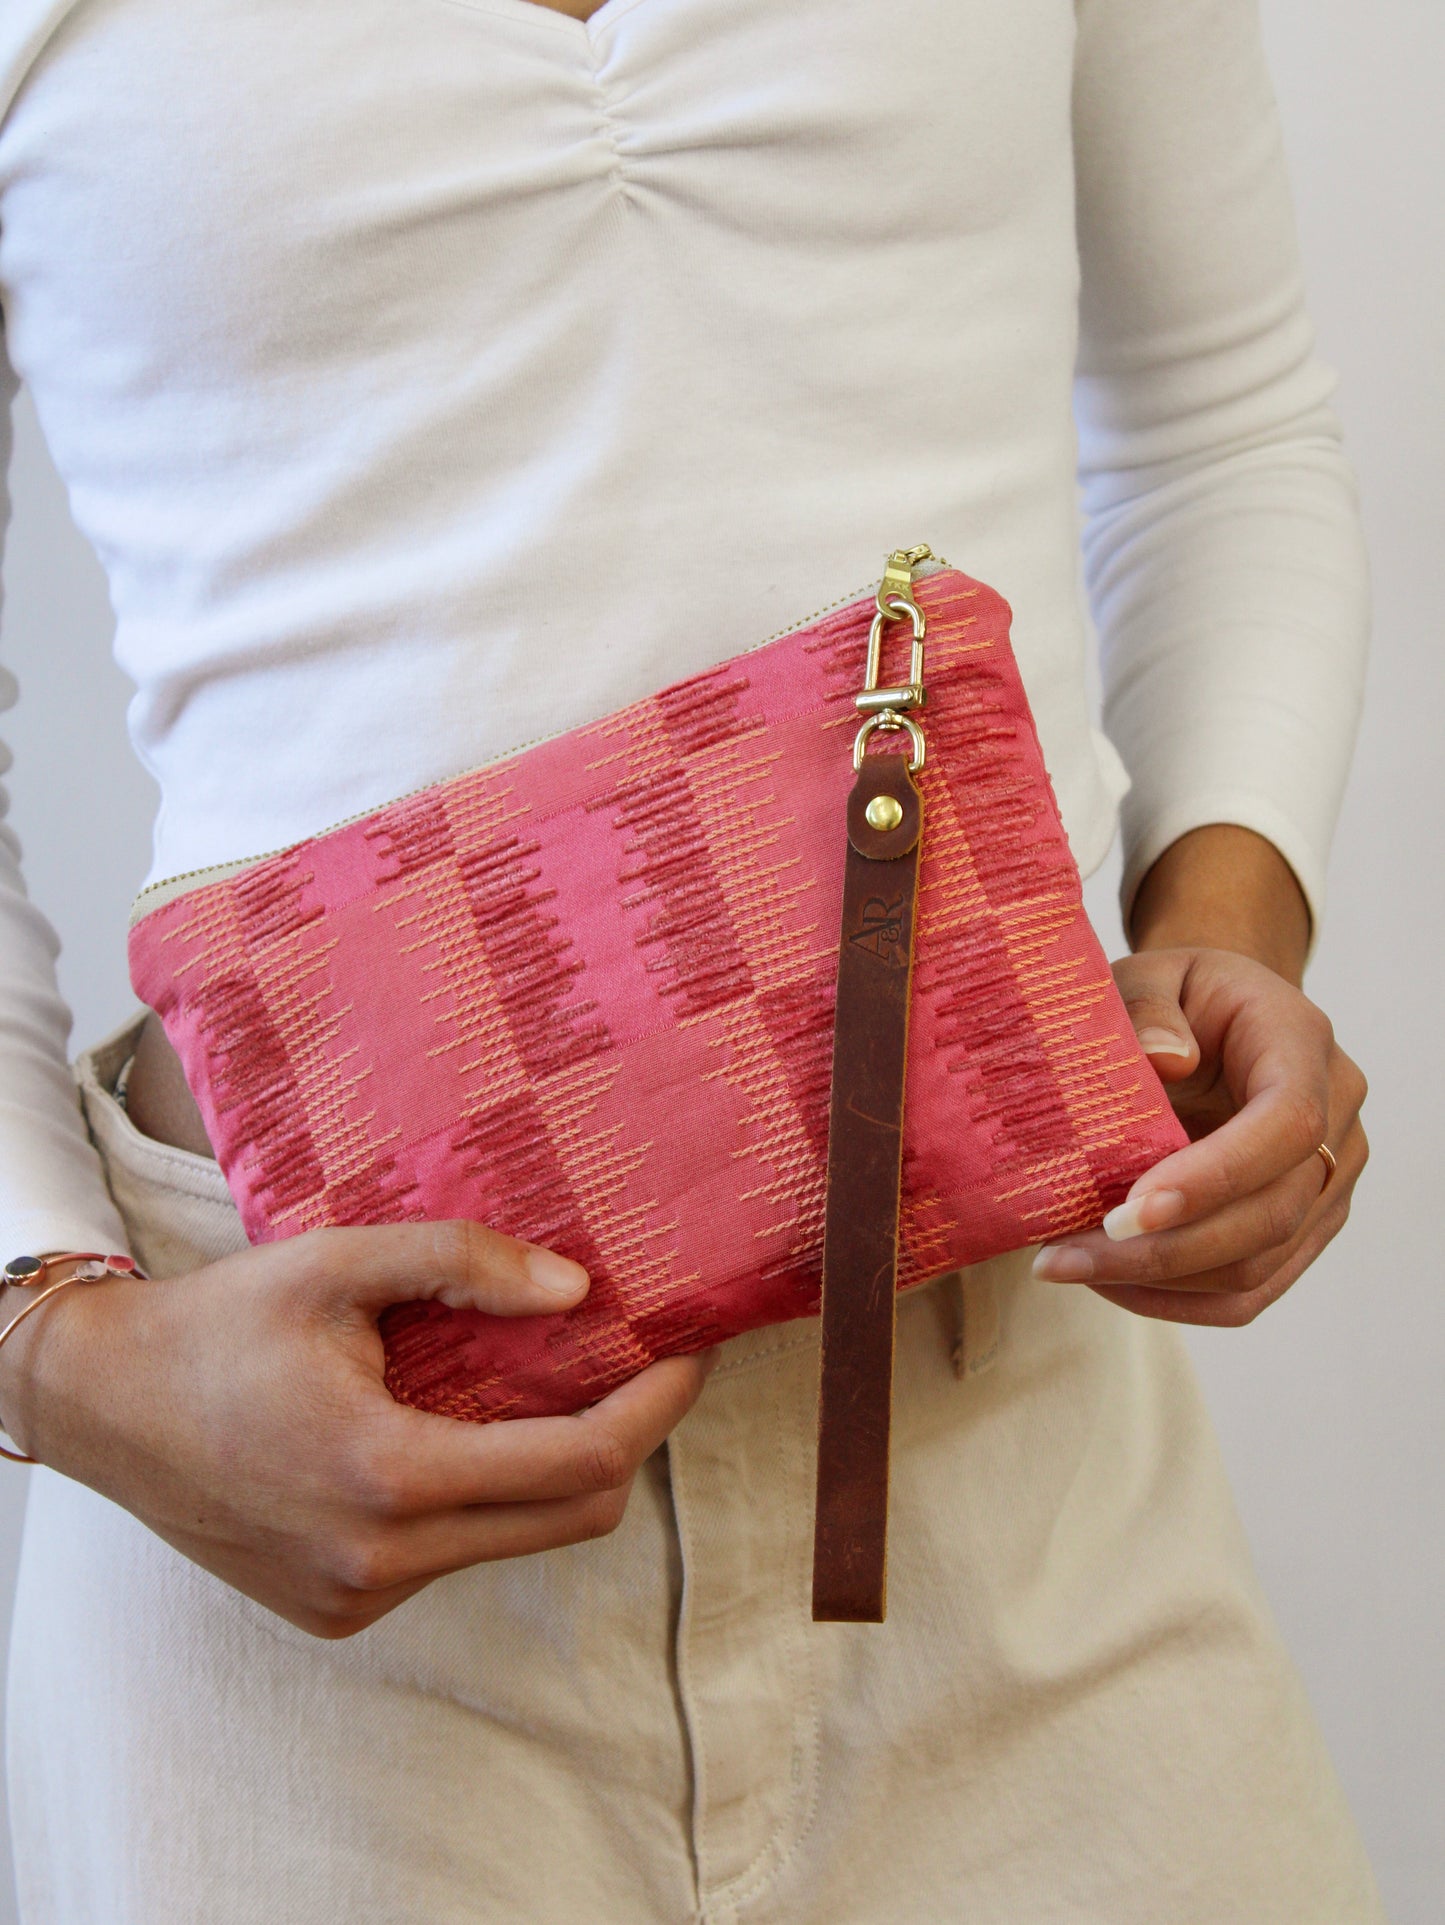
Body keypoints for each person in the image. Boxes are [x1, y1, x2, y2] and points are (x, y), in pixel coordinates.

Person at [0, 0, 1386, 1917]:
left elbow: (1219, 432)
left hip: (1014, 1389)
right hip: (298, 1467)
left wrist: (1219, 948)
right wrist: (59, 1354)